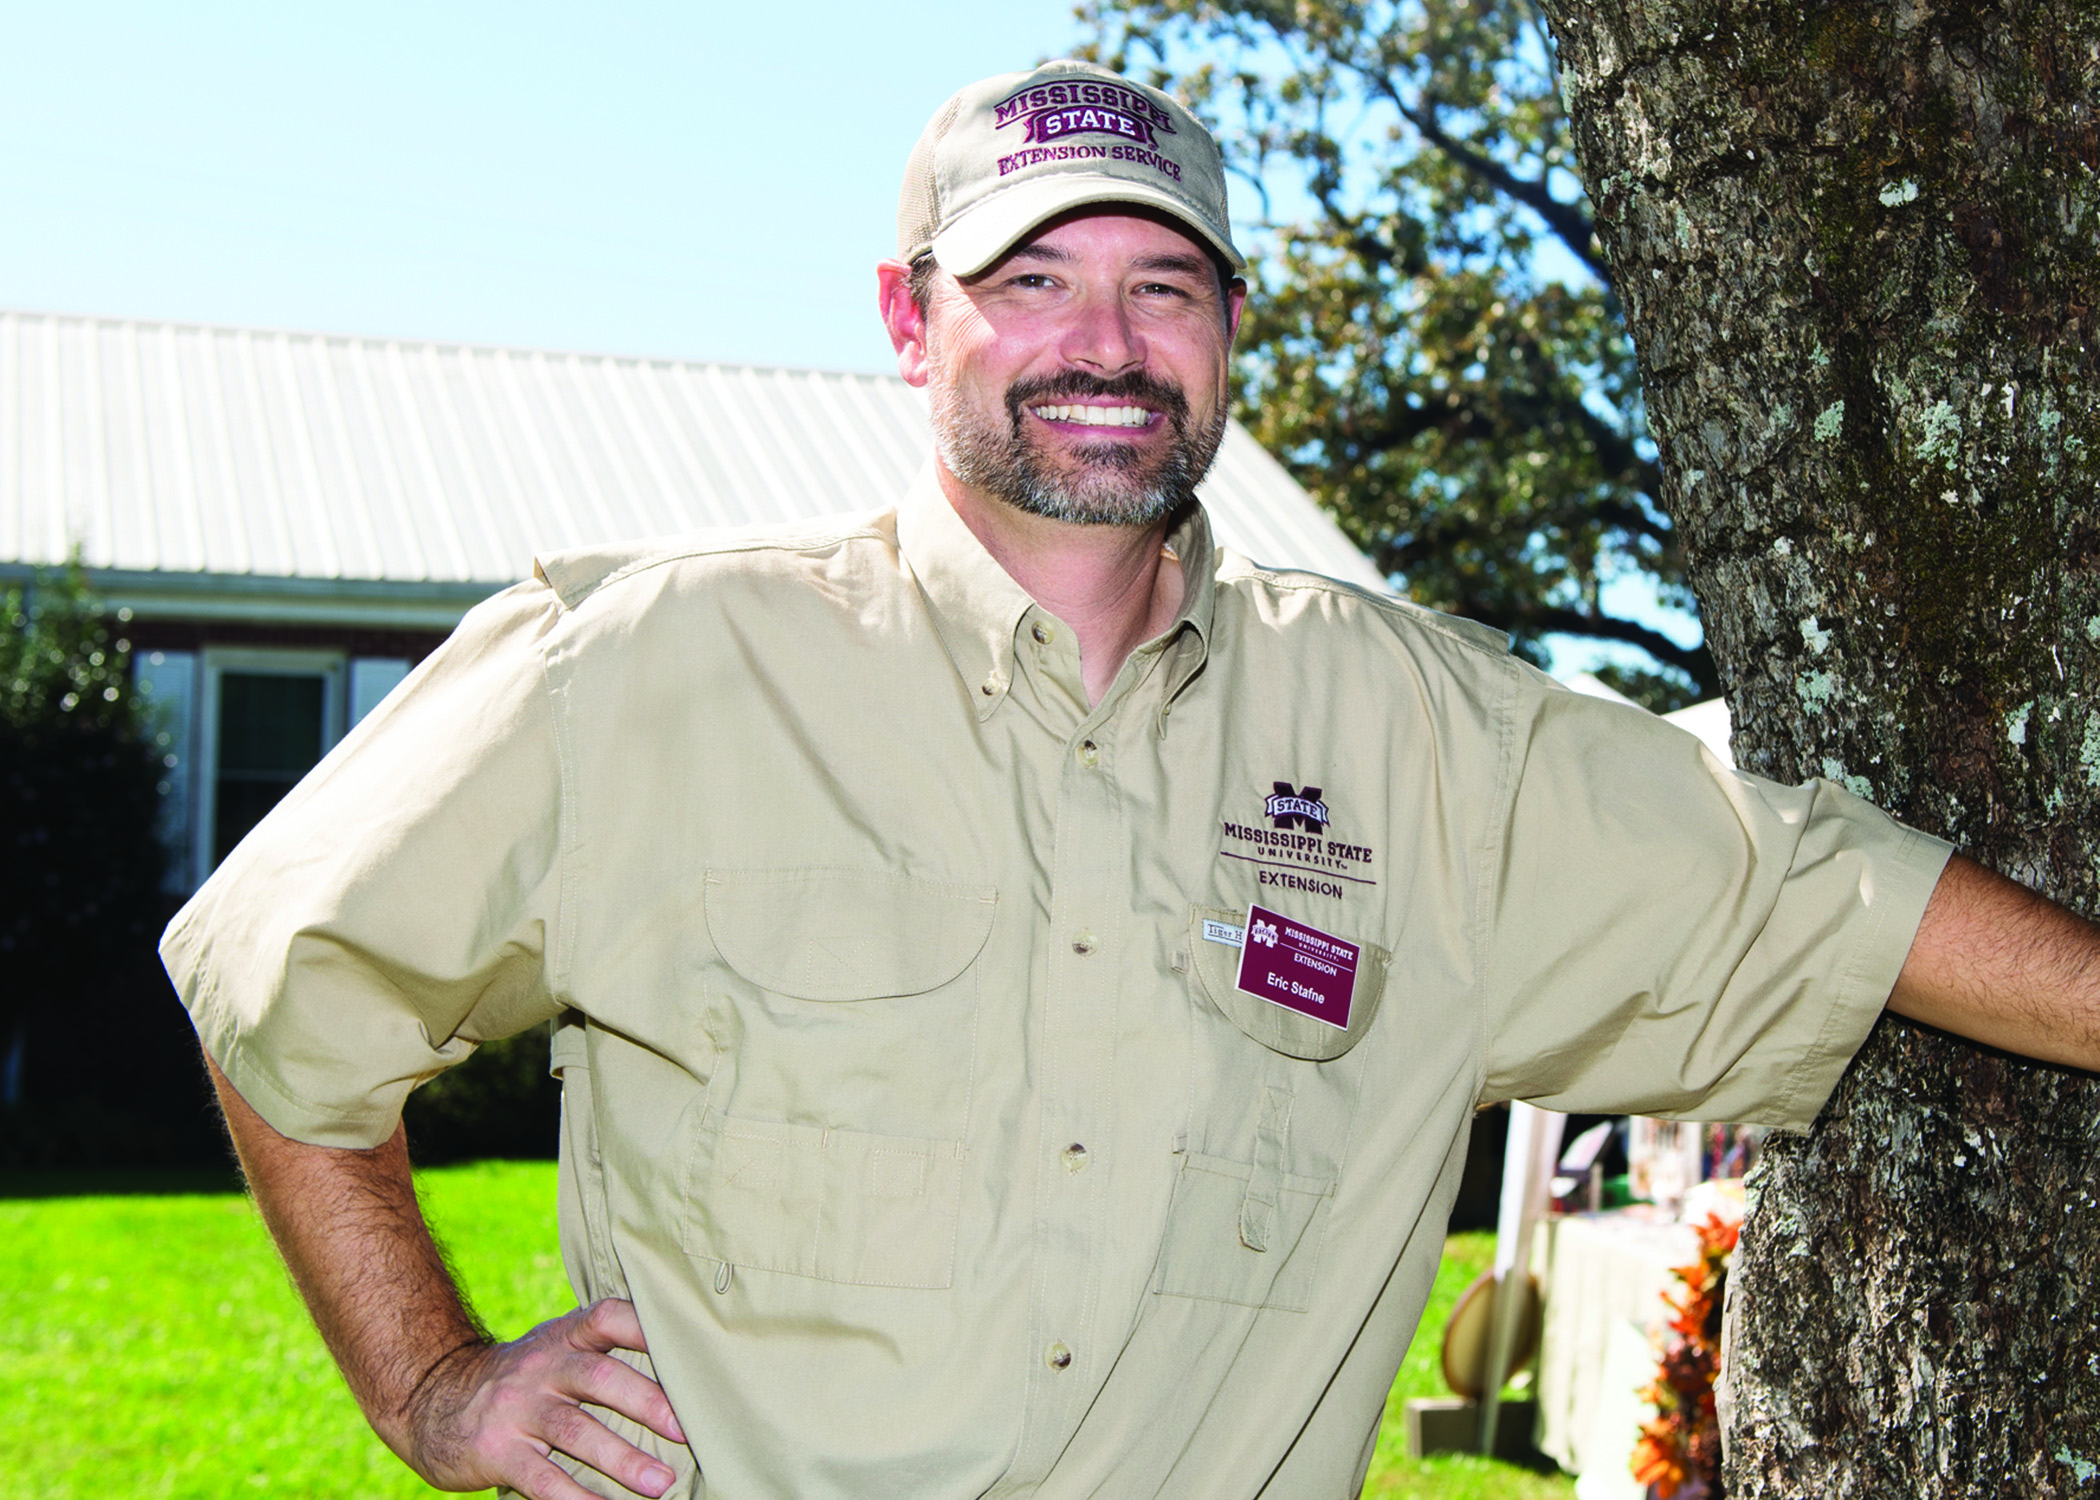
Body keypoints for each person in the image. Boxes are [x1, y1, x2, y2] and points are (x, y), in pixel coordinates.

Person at [162, 59, 2100, 1500]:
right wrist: (435, 1390)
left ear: (1234, 330)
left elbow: (1817, 893)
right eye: (1032, 281)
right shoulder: (647, 663)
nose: (1103, 342)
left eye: (1166, 285)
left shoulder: (1417, 728)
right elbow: (281, 997)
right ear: (912, 318)